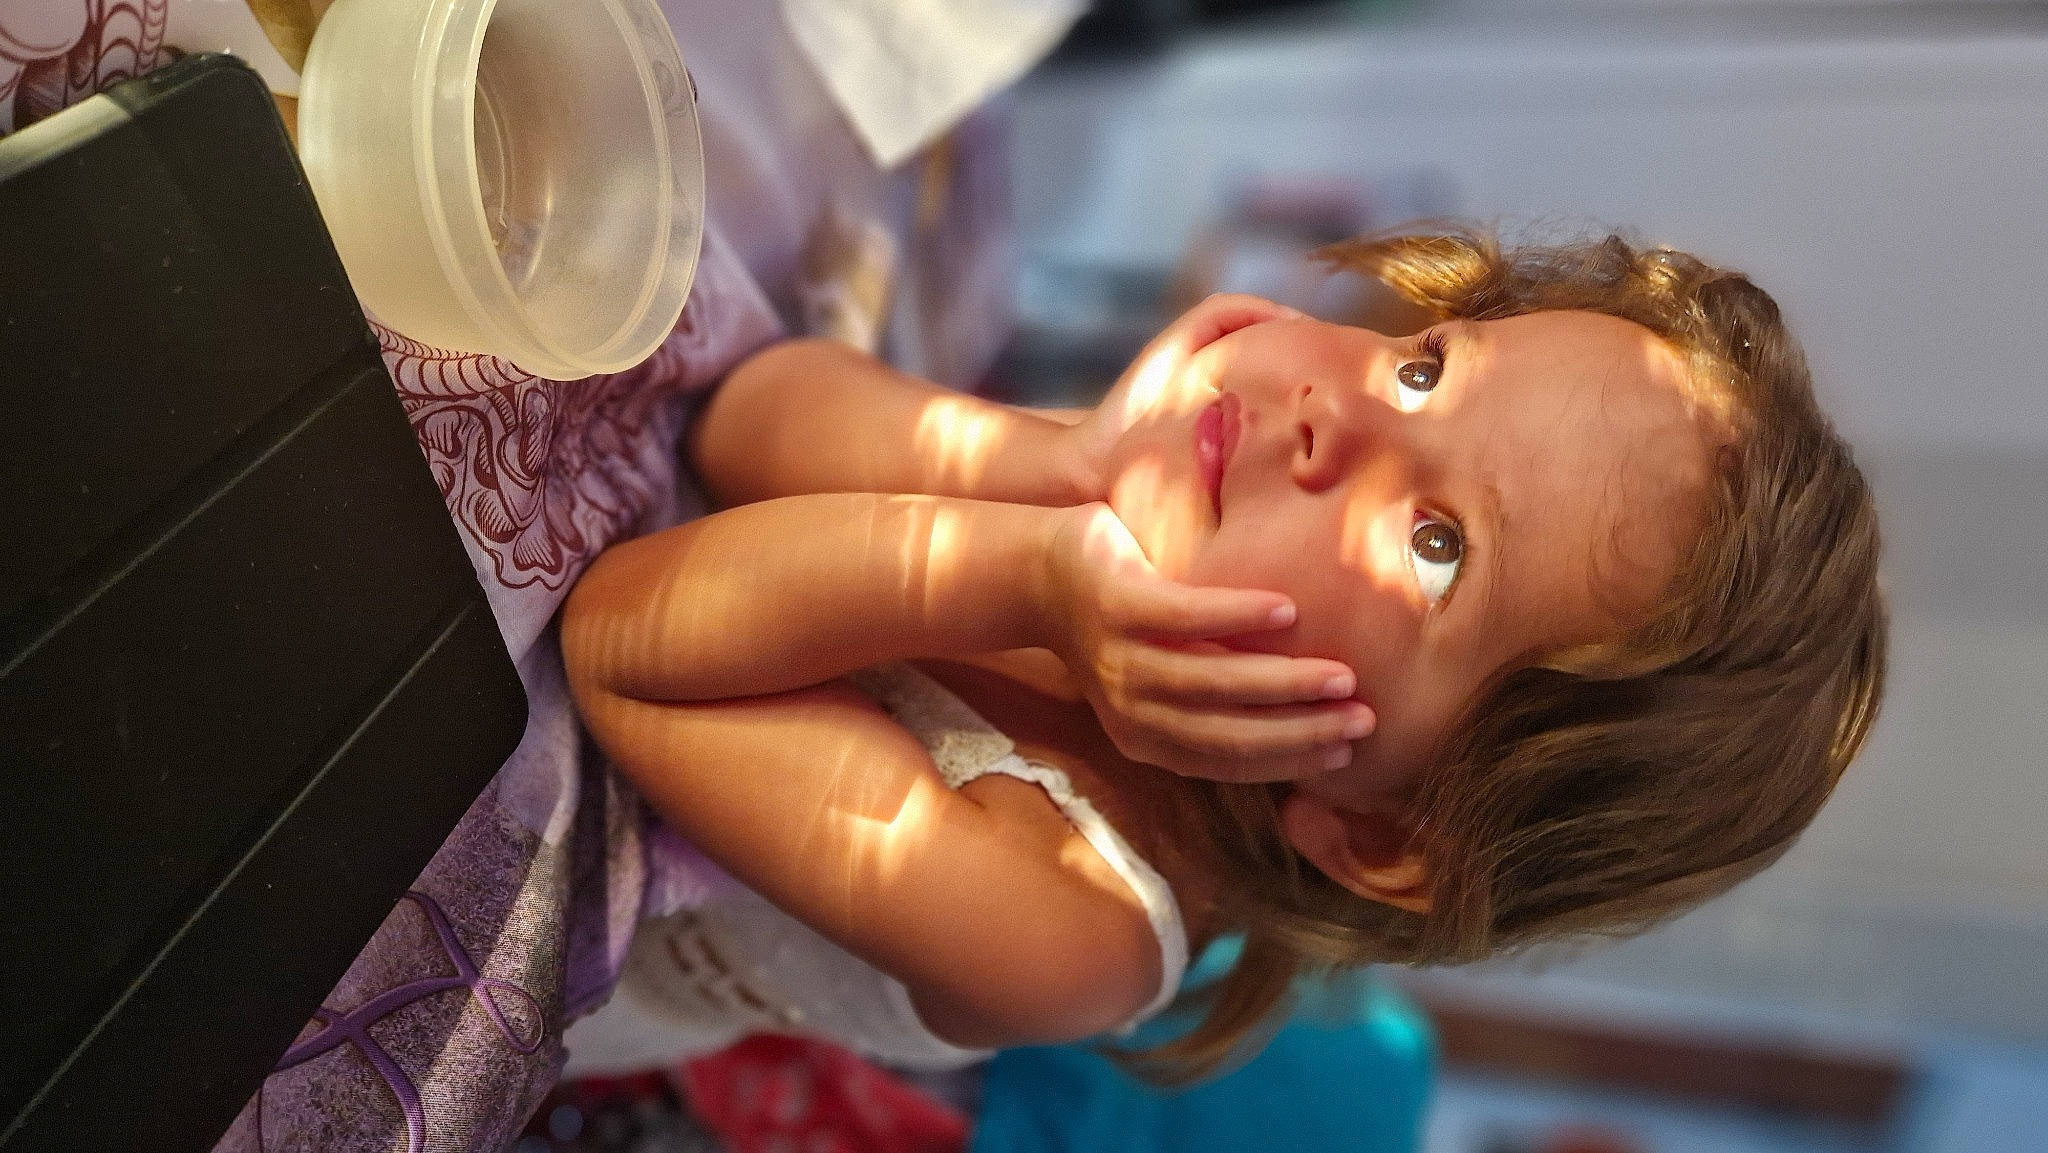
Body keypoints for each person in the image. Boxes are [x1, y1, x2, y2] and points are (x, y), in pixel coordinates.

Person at [561, 225, 1887, 1082]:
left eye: (1438, 546)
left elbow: (621, 637)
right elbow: (741, 424)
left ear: (1387, 834)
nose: (1334, 420)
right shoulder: (1156, 502)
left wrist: (1013, 572)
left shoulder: (1073, 930)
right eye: (1426, 371)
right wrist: (1051, 459)